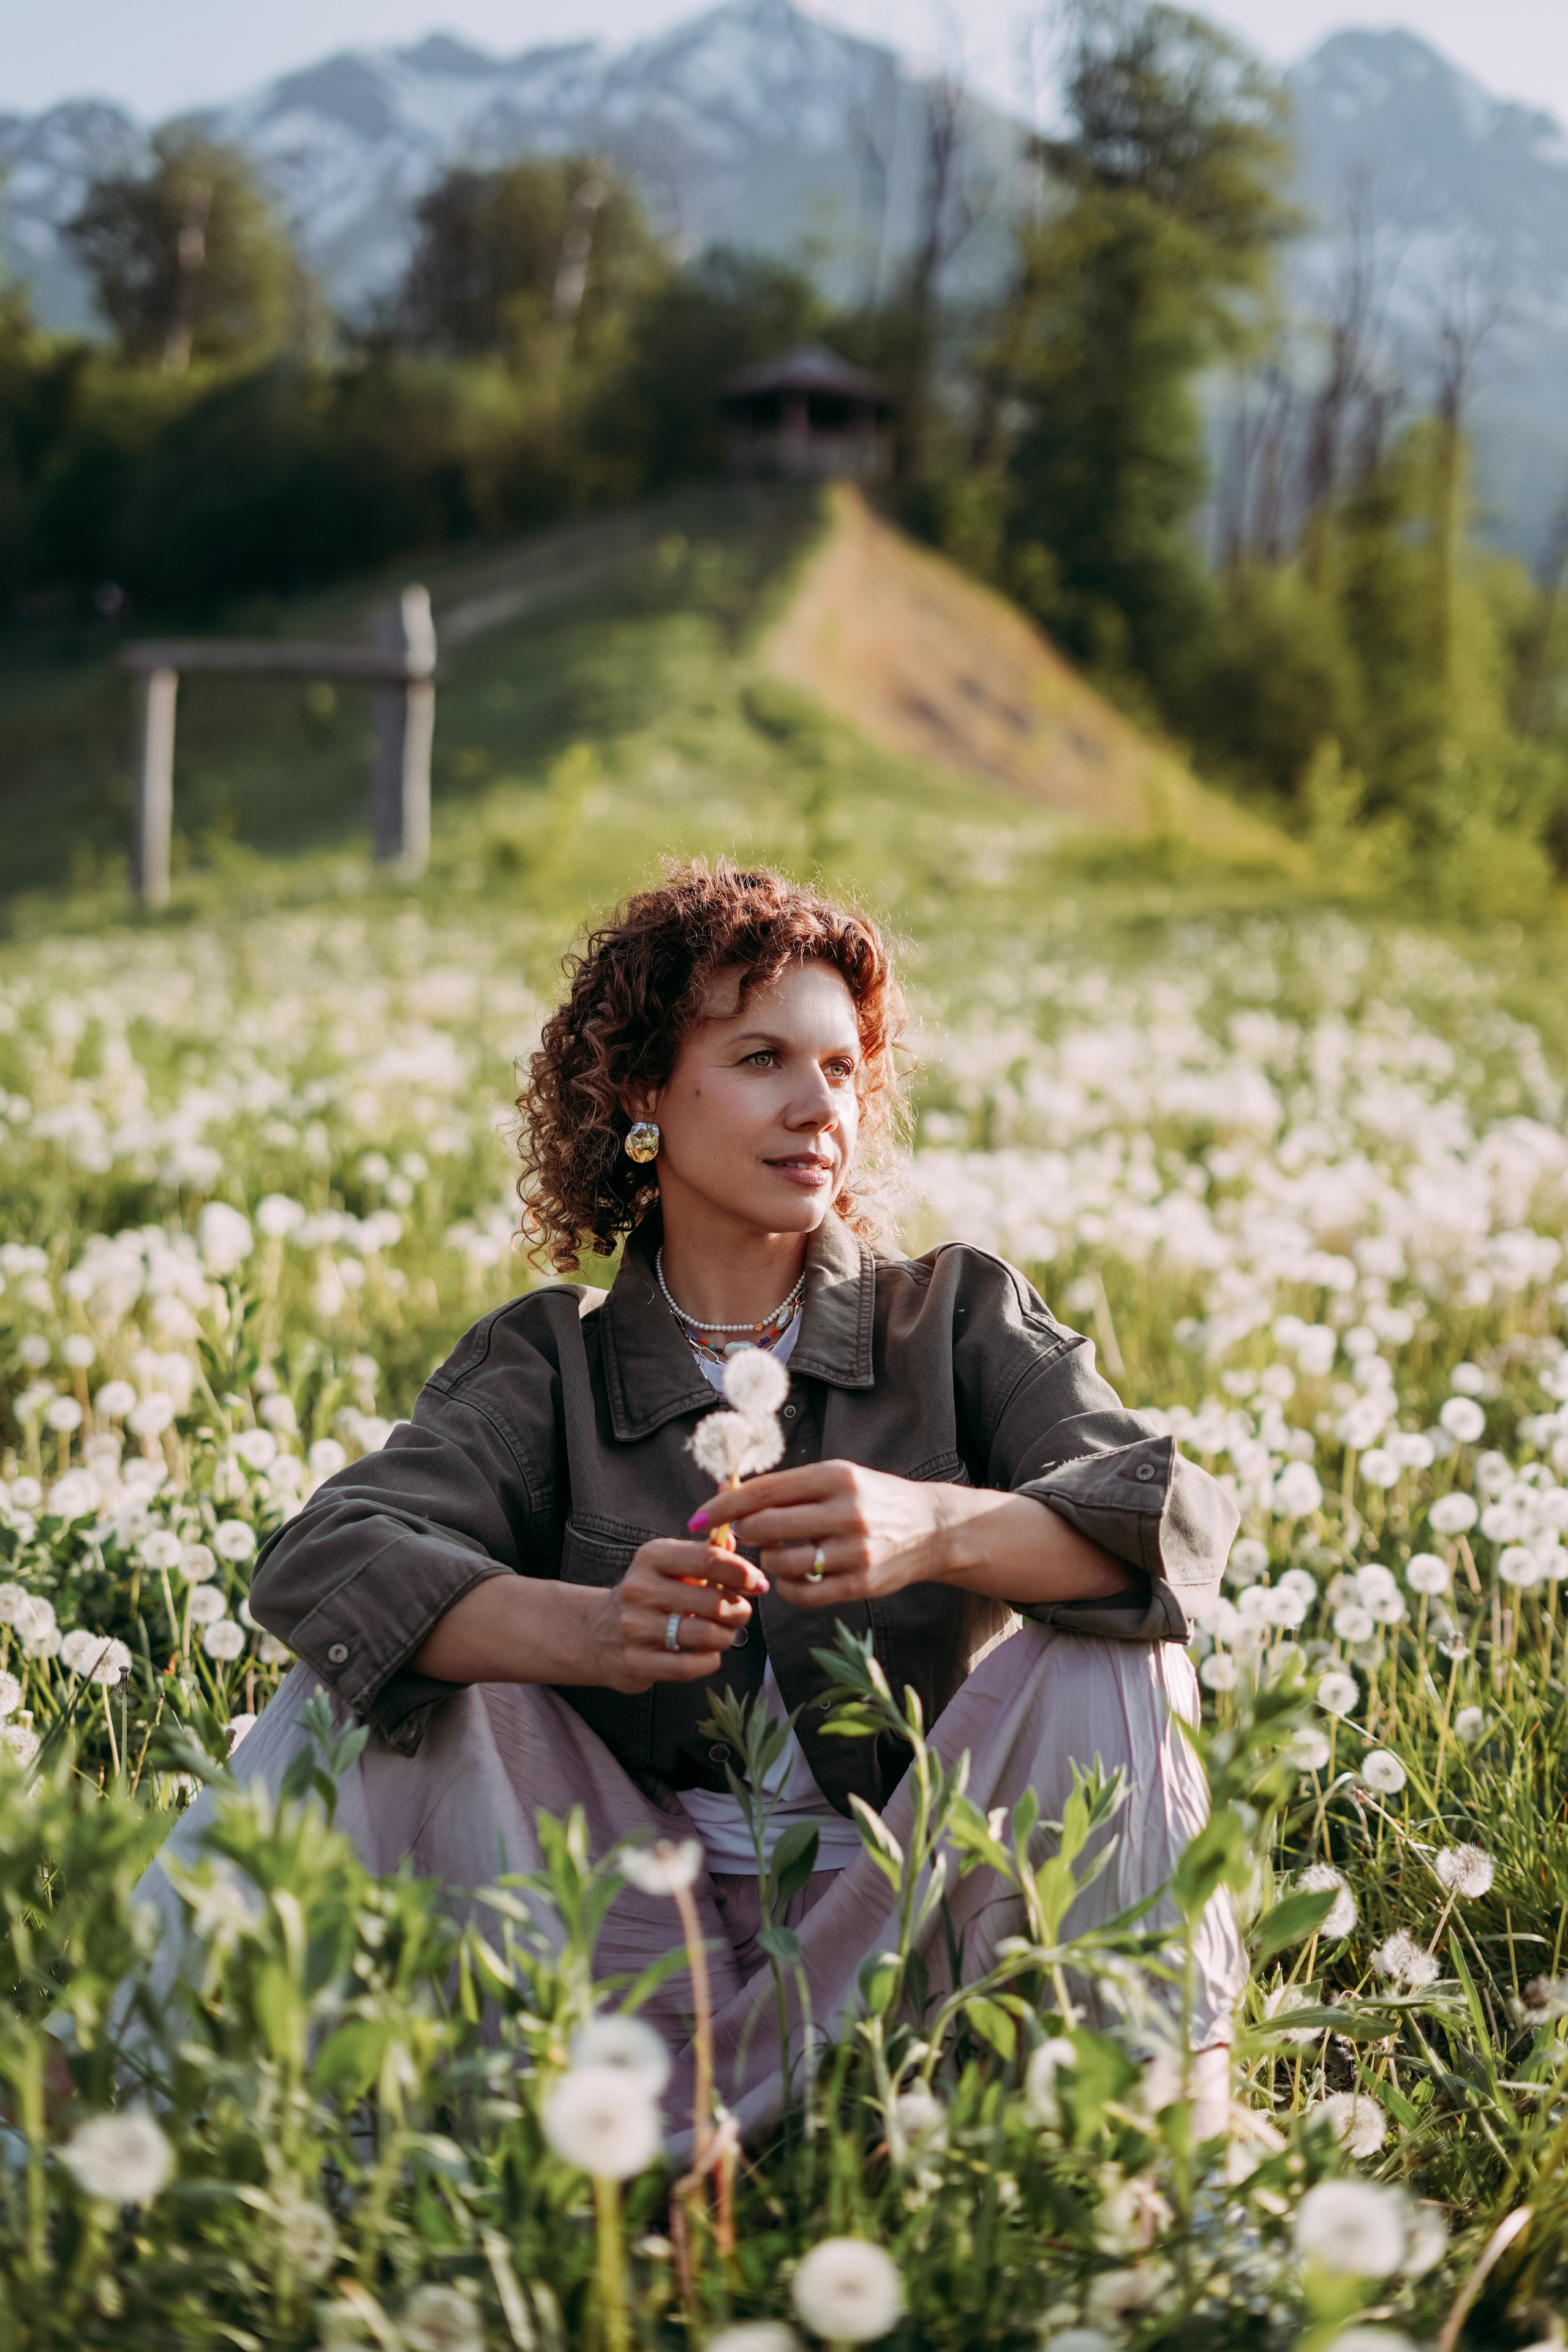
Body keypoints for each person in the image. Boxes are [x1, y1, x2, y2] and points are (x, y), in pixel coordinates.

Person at [143, 861, 1242, 2133]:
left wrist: (934, 1529)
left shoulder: (951, 1318)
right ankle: (126, 2089)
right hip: (624, 1945)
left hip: (922, 1936)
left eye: (839, 1071)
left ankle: (1182, 2151)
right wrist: (585, 1630)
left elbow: (1177, 1525)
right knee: (365, 1675)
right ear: (643, 1093)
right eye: (764, 1059)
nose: (816, 1107)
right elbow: (323, 1560)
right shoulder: (549, 1361)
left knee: (1113, 1650)